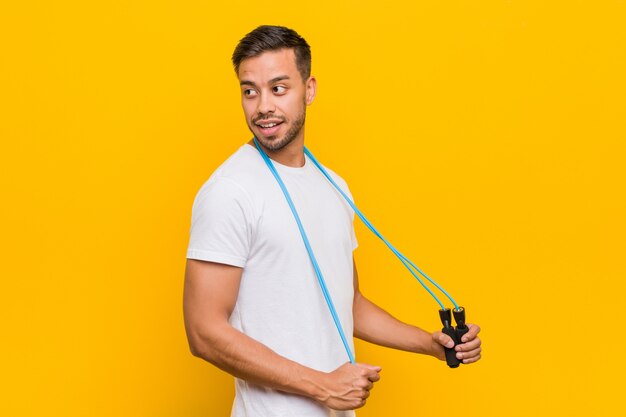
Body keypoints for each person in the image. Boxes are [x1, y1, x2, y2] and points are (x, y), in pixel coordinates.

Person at [183, 25, 482, 417]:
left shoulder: (333, 185)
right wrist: (322, 386)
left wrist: (430, 344)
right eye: (249, 91)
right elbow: (204, 332)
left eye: (278, 88)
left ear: (309, 89)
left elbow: (349, 302)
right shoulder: (230, 191)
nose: (262, 107)